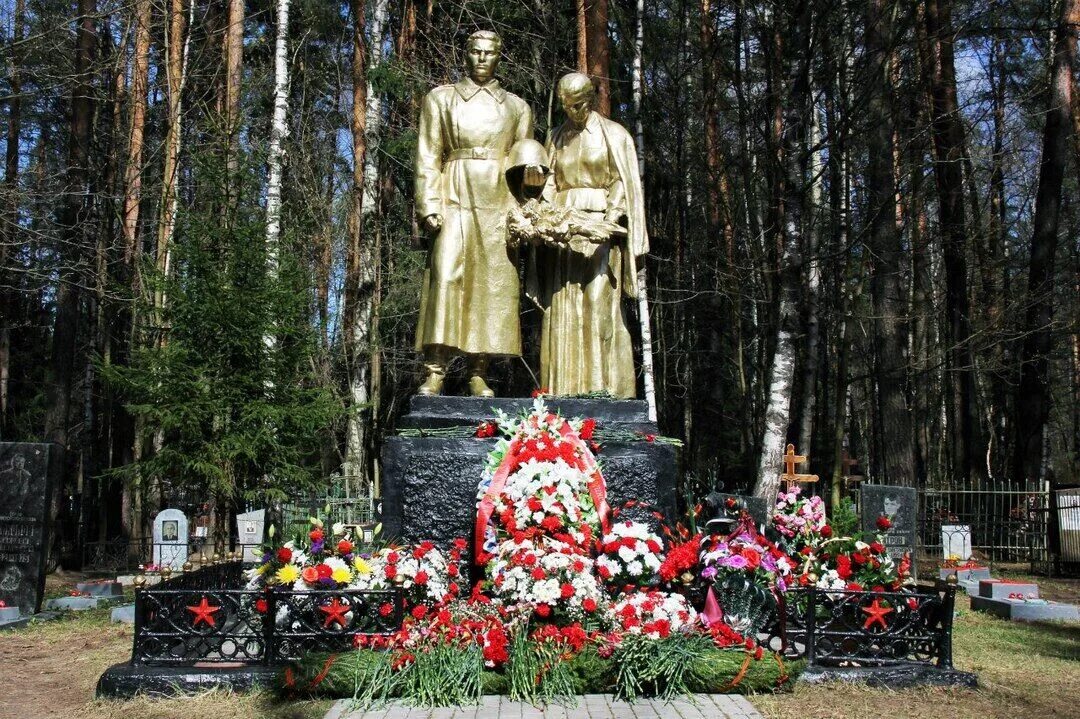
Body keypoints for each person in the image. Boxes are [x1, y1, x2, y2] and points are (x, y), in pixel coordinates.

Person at [413, 30, 542, 397]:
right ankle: (435, 370)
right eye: (475, 52)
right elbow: (427, 155)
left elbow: (525, 161)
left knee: (491, 284)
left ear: (500, 57)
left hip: (498, 200)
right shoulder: (441, 99)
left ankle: (478, 372)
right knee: (447, 276)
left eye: (489, 53)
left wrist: (528, 198)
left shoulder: (517, 107)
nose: (482, 58)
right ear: (465, 55)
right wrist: (429, 205)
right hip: (454, 191)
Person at [527, 73, 649, 398]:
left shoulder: (614, 134)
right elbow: (550, 182)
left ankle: (603, 390)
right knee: (562, 308)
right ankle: (561, 392)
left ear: (591, 99)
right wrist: (545, 216)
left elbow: (622, 181)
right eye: (567, 107)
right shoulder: (556, 137)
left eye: (578, 105)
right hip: (564, 232)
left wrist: (610, 218)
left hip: (599, 226)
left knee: (599, 306)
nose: (573, 113)